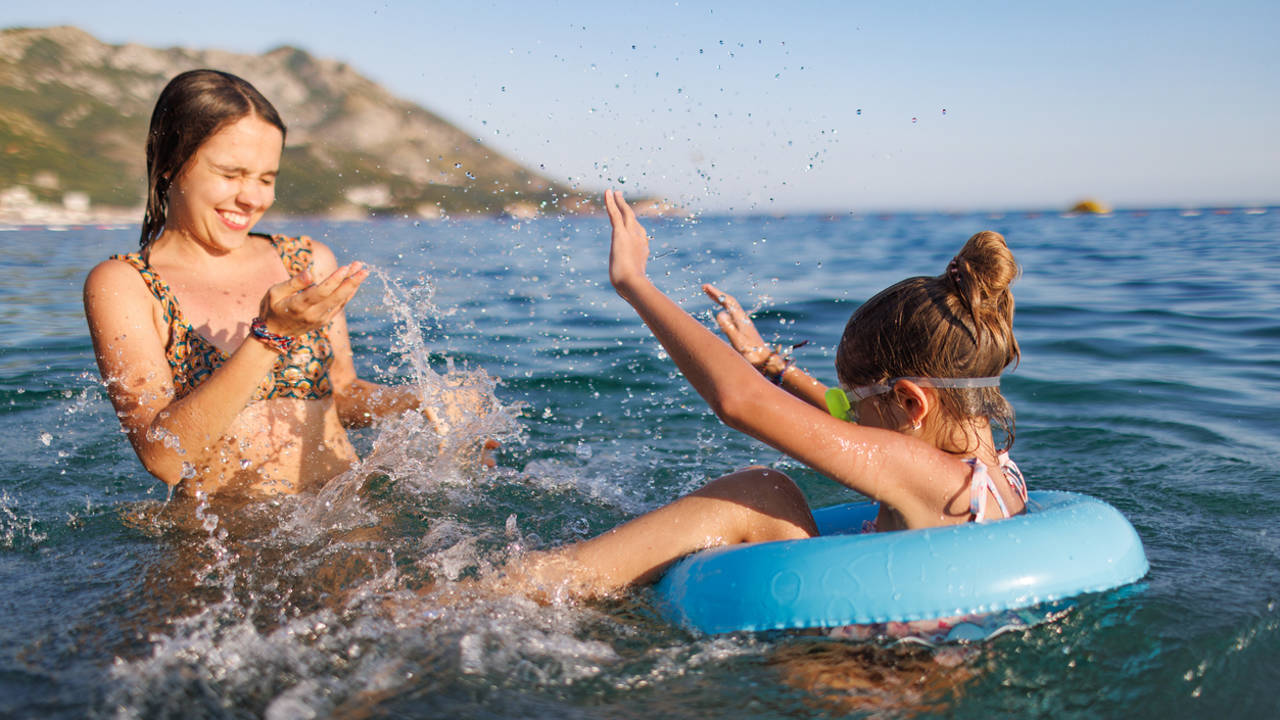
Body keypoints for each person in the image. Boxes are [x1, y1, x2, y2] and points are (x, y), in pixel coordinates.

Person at [506, 190, 1027, 599]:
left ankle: (511, 591)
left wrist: (634, 283)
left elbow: (740, 403)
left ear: (913, 403)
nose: (847, 418)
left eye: (856, 406)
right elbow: (841, 421)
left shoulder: (920, 470)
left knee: (763, 492)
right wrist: (769, 363)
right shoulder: (999, 476)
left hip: (868, 684)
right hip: (907, 664)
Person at [84, 69, 487, 499]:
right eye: (230, 174)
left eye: (266, 178)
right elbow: (163, 459)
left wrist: (422, 401)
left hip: (347, 514)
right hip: (234, 544)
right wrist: (271, 336)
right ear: (170, 166)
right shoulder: (126, 285)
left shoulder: (306, 260)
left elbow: (343, 392)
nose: (252, 198)